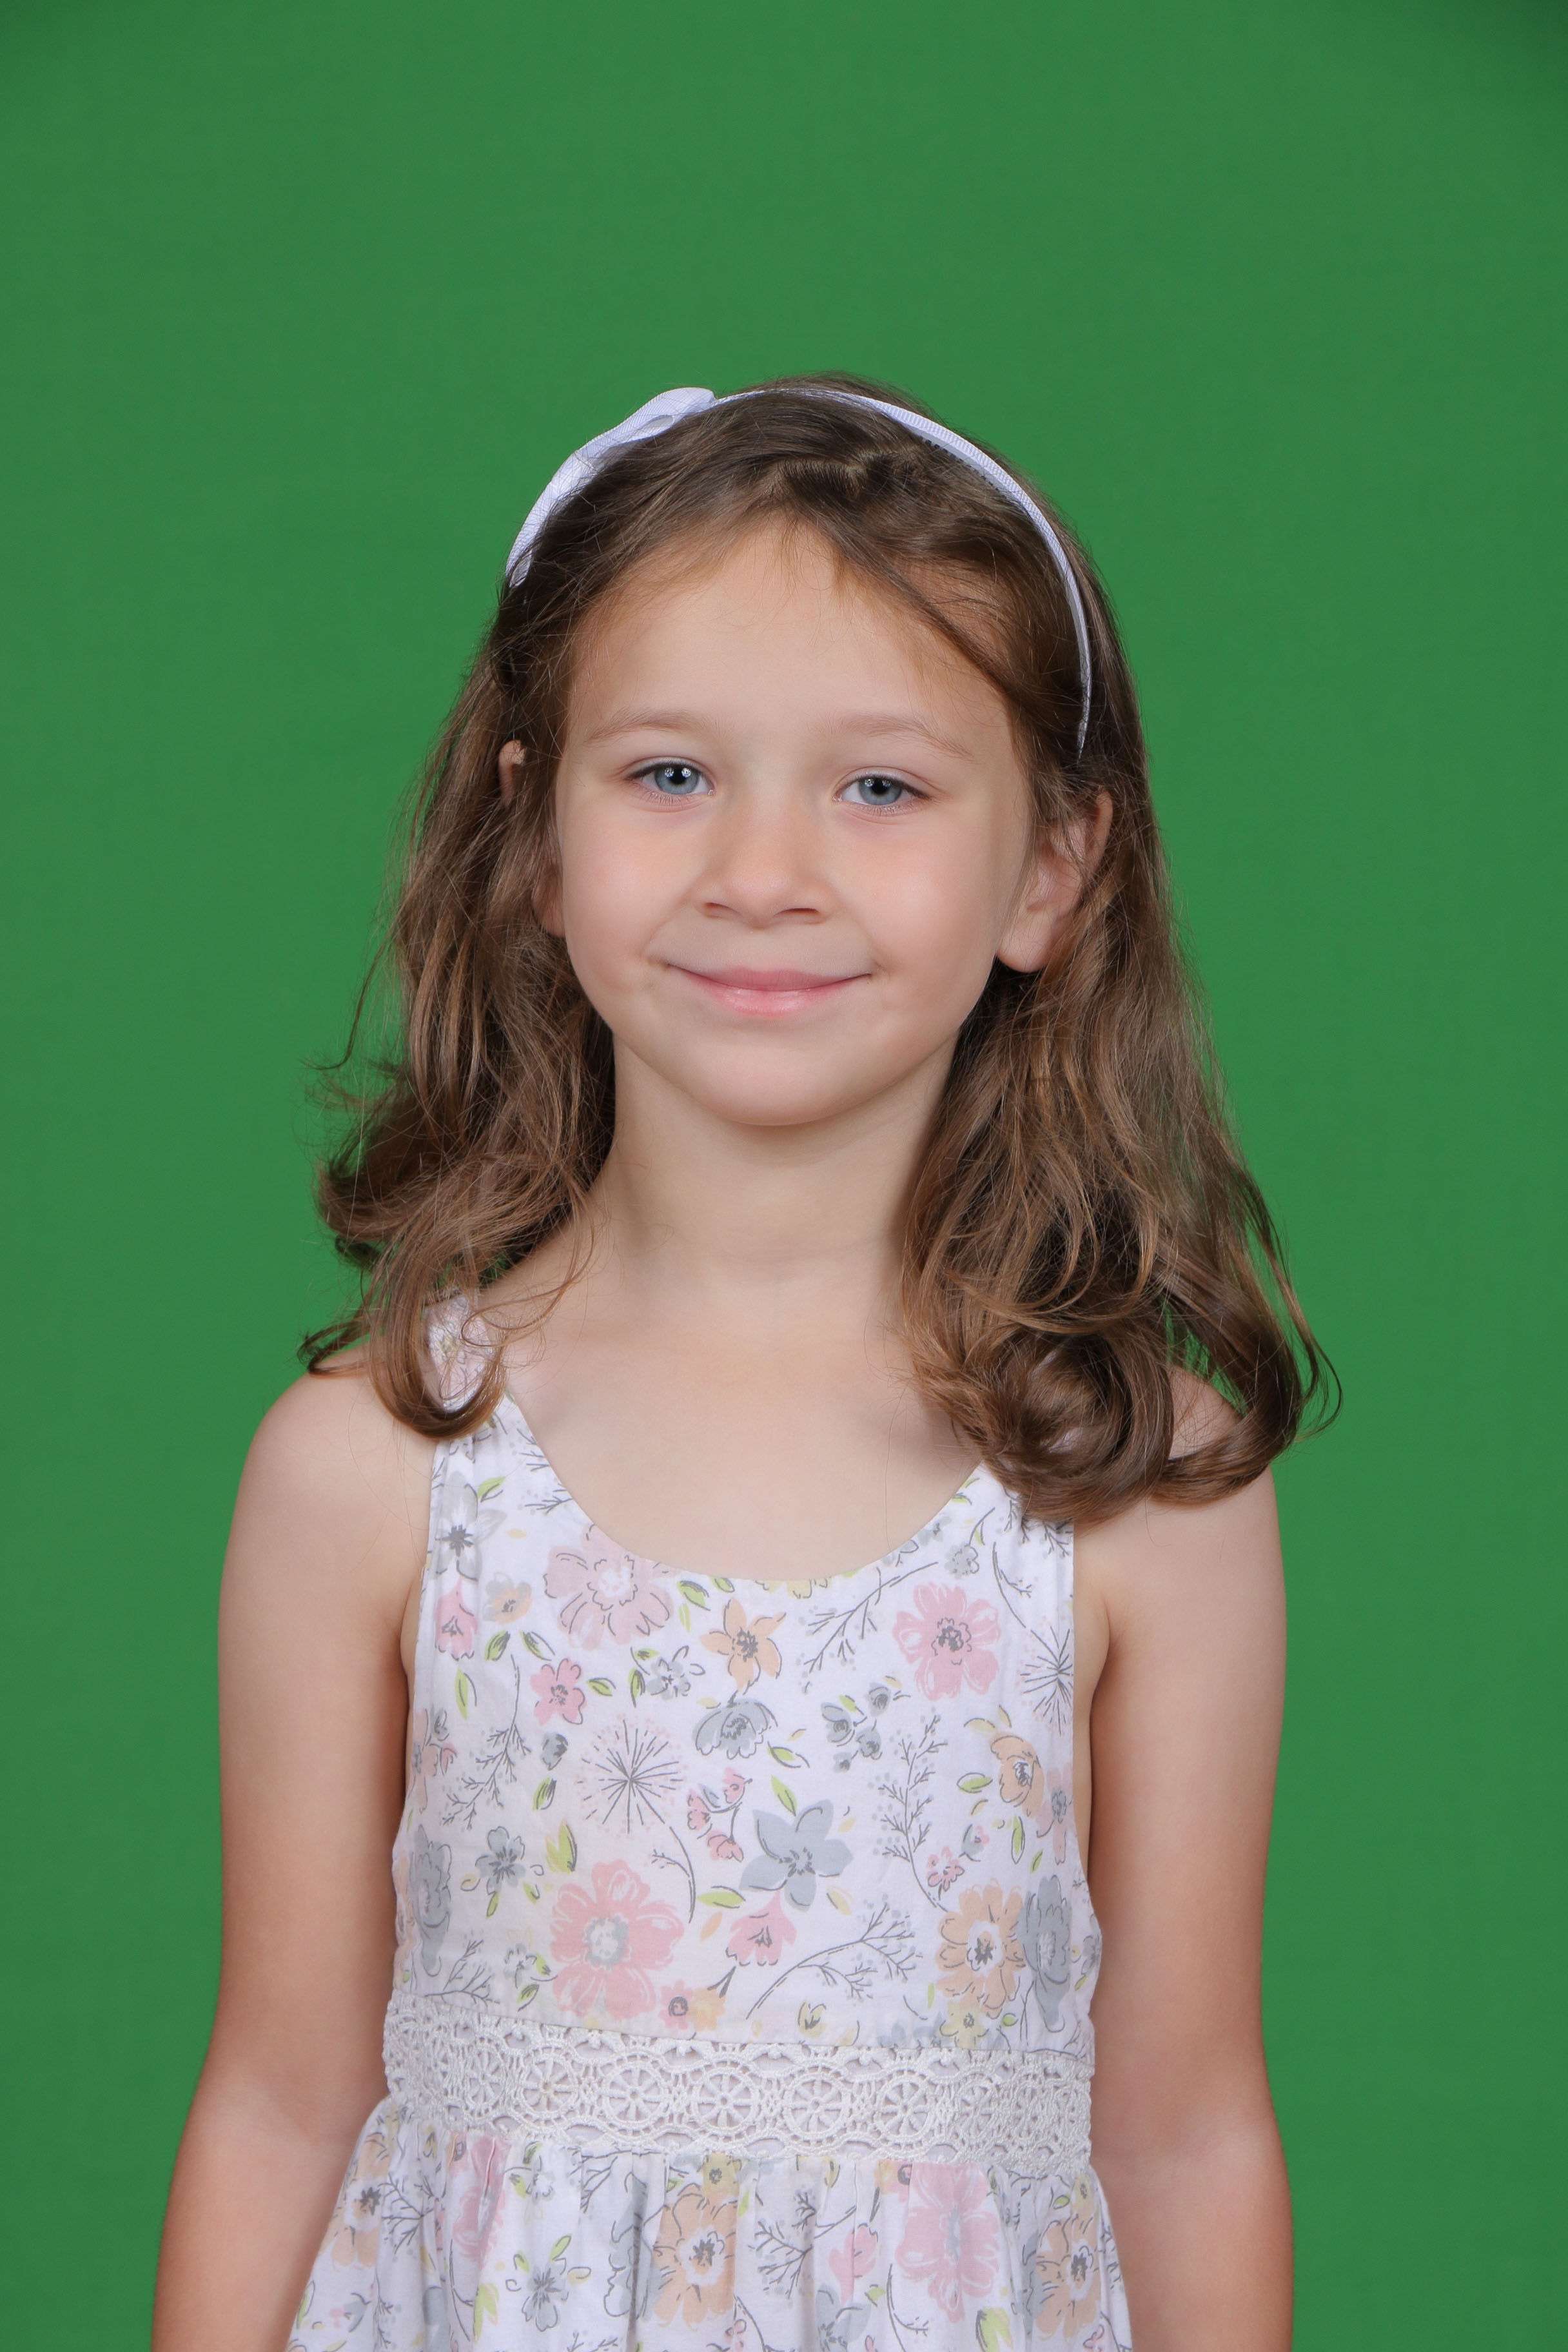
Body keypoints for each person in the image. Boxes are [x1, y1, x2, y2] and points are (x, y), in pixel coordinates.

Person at [153, 376, 1328, 2352]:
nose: (762, 868)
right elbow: (279, 2098)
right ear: (535, 832)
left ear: (1053, 870)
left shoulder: (1136, 1480)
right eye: (673, 772)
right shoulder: (376, 1463)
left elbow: (1188, 2131)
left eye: (881, 789)